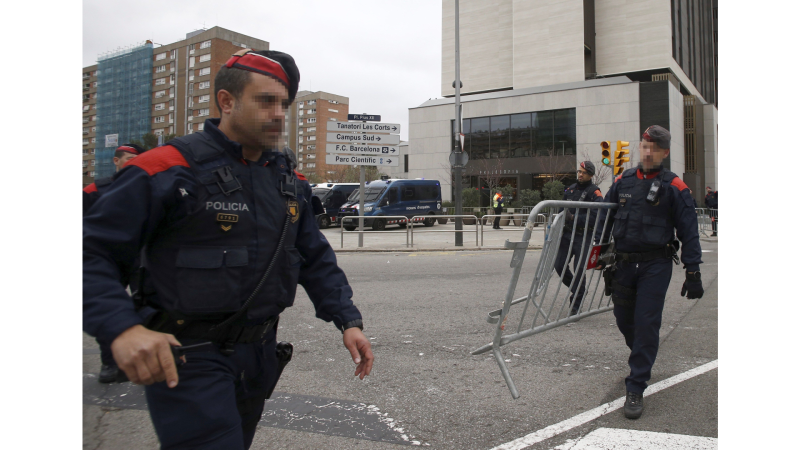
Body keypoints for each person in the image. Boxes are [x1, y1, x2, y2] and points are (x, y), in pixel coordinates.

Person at [82, 49, 374, 449]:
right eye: (265, 101)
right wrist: (122, 329)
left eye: (283, 104)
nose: (278, 114)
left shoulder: (289, 182)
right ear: (226, 101)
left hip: (259, 355)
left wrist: (348, 320)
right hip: (189, 357)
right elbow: (92, 252)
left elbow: (314, 255)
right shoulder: (165, 170)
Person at [594, 125, 703, 420]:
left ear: (664, 152)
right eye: (644, 145)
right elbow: (606, 215)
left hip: (655, 265)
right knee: (623, 318)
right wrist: (598, 253)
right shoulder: (624, 180)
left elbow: (689, 231)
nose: (647, 151)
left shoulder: (674, 186)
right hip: (624, 263)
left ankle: (636, 384)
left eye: (653, 147)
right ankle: (642, 355)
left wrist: (693, 270)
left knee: (645, 323)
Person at [82, 142, 146, 383]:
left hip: (140, 257)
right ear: (116, 161)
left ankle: (144, 359)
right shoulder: (94, 191)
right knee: (108, 307)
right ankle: (109, 362)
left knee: (147, 306)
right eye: (128, 159)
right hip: (108, 258)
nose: (132, 163)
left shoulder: (148, 187)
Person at [554, 161, 603, 316]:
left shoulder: (594, 192)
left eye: (584, 172)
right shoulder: (570, 189)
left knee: (579, 269)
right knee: (559, 265)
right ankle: (579, 290)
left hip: (583, 235)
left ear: (590, 175)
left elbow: (596, 216)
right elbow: (562, 210)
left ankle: (576, 303)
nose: (580, 175)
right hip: (566, 234)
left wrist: (575, 217)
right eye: (579, 171)